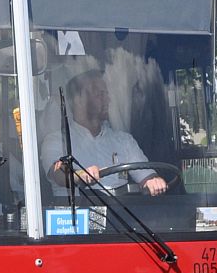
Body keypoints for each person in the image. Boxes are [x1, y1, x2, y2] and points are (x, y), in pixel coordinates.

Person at [41, 67, 167, 197]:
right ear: (78, 100)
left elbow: (146, 175)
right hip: (76, 215)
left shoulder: (124, 141)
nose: (108, 100)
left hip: (123, 215)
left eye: (106, 94)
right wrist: (81, 176)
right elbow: (59, 174)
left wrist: (153, 181)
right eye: (99, 94)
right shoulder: (57, 142)